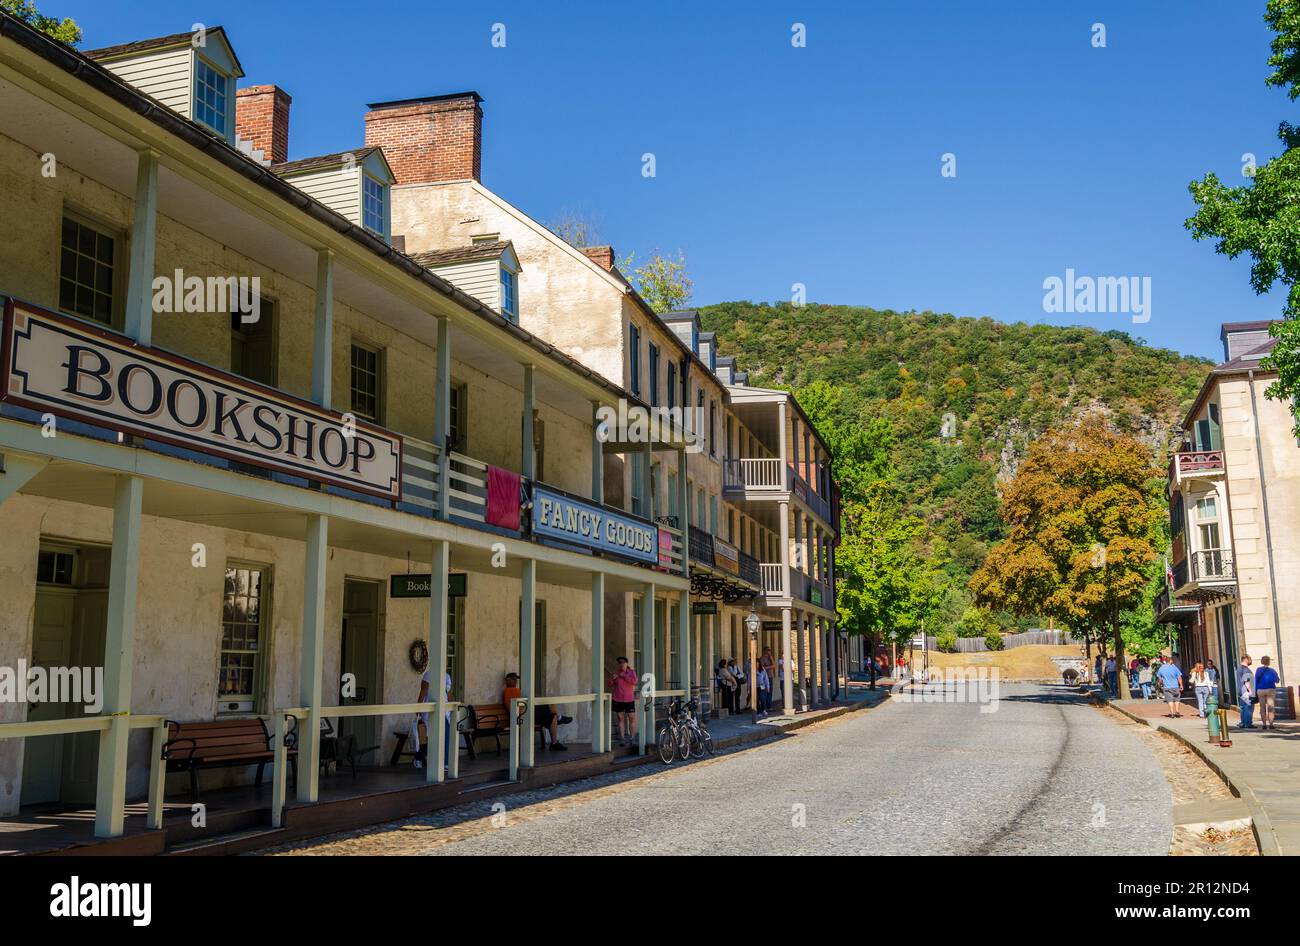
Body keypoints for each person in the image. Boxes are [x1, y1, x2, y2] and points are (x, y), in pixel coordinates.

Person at [502, 672, 572, 751]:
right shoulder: (508, 691)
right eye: (513, 679)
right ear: (507, 680)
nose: (516, 681)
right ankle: (560, 717)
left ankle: (554, 743)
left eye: (516, 679)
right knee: (548, 703)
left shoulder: (517, 690)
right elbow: (514, 707)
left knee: (552, 717)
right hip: (523, 715)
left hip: (529, 713)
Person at [414, 666, 452, 772]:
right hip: (430, 710)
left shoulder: (447, 677)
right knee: (428, 738)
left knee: (445, 735)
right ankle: (419, 757)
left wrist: (453, 707)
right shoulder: (428, 675)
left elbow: (448, 694)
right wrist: (418, 708)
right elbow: (423, 691)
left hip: (444, 711)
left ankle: (445, 762)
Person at [608, 657, 638, 745]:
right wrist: (613, 678)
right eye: (620, 662)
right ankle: (622, 738)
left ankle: (632, 737)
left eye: (623, 662)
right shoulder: (616, 673)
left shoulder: (631, 672)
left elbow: (634, 682)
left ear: (627, 663)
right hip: (618, 699)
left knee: (631, 718)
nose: (622, 664)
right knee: (620, 718)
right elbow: (609, 684)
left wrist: (624, 676)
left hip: (629, 699)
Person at [1255, 656, 1280, 730]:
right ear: (1269, 662)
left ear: (1262, 661)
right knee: (1271, 708)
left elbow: (1256, 680)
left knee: (1262, 707)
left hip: (1260, 690)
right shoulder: (1272, 671)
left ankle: (1264, 724)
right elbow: (1277, 680)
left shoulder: (1258, 670)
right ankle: (1271, 724)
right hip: (1270, 690)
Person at [1237, 655, 1256, 730]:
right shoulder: (1246, 670)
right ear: (1246, 660)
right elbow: (1247, 681)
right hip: (1246, 691)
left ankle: (1243, 722)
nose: (1251, 661)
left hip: (1240, 690)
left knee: (1243, 707)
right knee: (1248, 707)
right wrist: (1250, 691)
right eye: (1250, 659)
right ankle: (1248, 723)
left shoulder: (1239, 668)